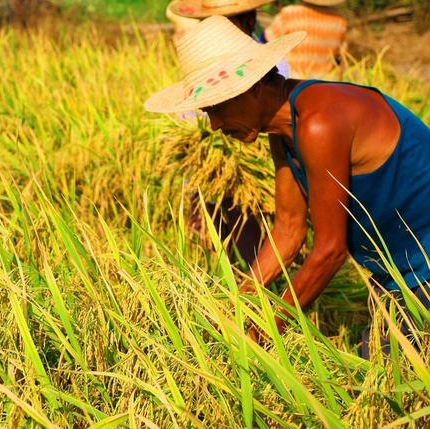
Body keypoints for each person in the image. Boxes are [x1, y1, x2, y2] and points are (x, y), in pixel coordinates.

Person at [144, 16, 430, 355]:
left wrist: (265, 330)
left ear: (252, 88)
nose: (216, 124)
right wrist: (236, 303)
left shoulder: (318, 124)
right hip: (399, 270)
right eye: (208, 112)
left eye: (218, 107)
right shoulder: (284, 131)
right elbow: (289, 231)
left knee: (387, 370)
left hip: (422, 264)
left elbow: (329, 250)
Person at [166, 0, 288, 265]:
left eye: (225, 22)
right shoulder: (200, 63)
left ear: (249, 21)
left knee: (256, 252)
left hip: (257, 184)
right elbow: (189, 116)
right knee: (216, 255)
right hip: (212, 179)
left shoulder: (270, 65)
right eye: (208, 24)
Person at [263, 0, 347, 79]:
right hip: (323, 81)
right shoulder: (339, 21)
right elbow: (341, 56)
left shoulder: (290, 13)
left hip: (291, 80)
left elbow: (267, 40)